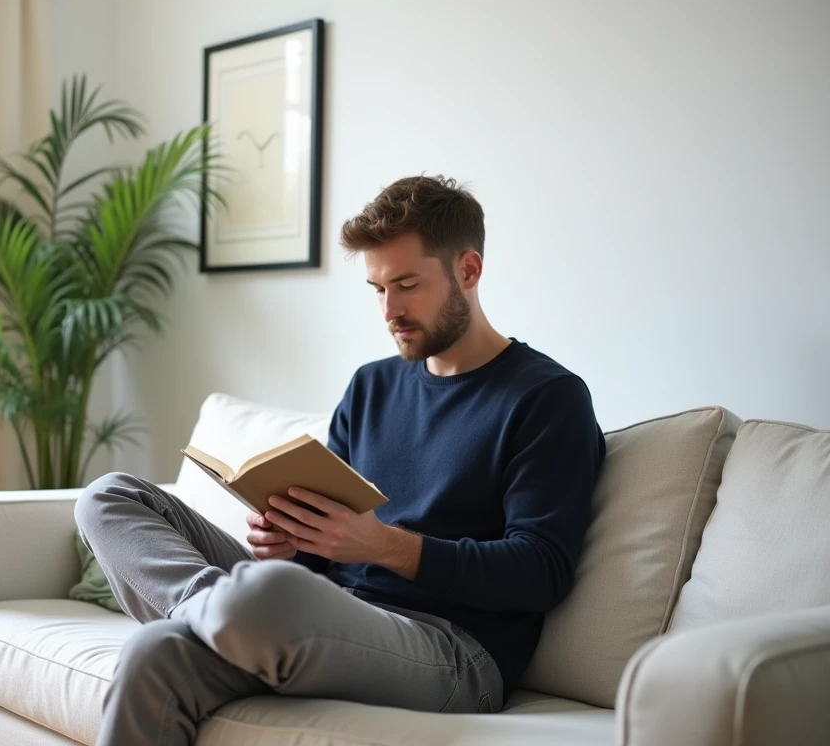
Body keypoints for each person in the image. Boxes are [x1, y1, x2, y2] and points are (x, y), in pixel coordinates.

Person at [75, 175, 606, 746]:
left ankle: (232, 613)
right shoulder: (371, 386)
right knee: (110, 502)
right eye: (377, 289)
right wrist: (291, 541)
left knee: (262, 597)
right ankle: (219, 613)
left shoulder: (547, 398)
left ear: (469, 271)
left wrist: (383, 546)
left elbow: (542, 570)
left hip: (451, 652)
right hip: (329, 614)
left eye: (406, 285)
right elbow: (320, 568)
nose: (389, 310)